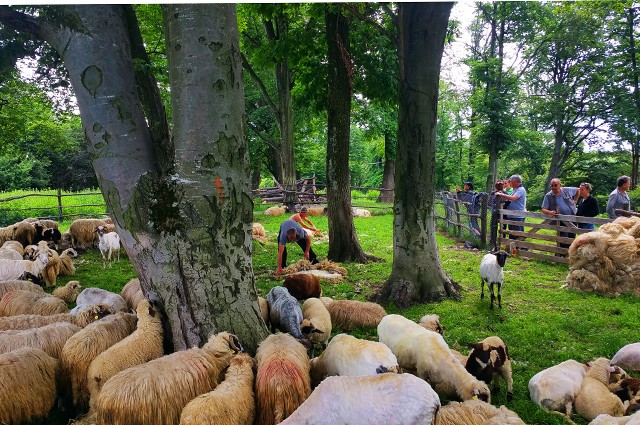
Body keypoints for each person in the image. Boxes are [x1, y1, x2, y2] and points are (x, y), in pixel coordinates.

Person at [541, 178, 578, 248]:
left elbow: (578, 190)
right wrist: (550, 212)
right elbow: (543, 209)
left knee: (572, 237)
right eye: (552, 186)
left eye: (555, 185)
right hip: (561, 220)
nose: (553, 187)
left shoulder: (567, 190)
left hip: (572, 217)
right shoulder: (548, 196)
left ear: (560, 185)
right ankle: (561, 254)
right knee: (563, 238)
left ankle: (568, 254)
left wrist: (575, 201)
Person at [496, 175, 526, 240]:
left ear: (515, 181)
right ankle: (513, 248)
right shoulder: (515, 190)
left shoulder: (520, 189)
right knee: (512, 234)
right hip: (512, 215)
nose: (510, 183)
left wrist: (502, 194)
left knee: (516, 235)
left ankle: (521, 248)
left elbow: (514, 198)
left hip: (517, 216)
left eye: (510, 181)